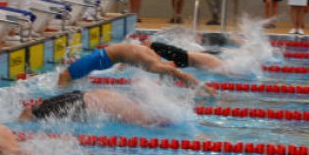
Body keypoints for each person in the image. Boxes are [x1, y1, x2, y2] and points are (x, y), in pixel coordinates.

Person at [57, 42, 208, 89]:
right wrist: (202, 87)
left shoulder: (151, 53)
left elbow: (130, 51)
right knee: (65, 76)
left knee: (67, 76)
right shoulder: (152, 64)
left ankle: (60, 93)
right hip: (101, 58)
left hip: (102, 57)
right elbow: (179, 74)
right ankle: (60, 94)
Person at [20, 89, 167, 126]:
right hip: (79, 104)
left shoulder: (127, 100)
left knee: (34, 110)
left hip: (79, 96)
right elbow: (148, 122)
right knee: (32, 115)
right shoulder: (136, 113)